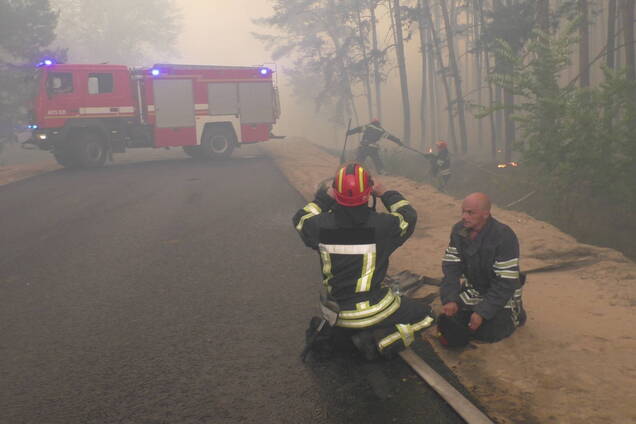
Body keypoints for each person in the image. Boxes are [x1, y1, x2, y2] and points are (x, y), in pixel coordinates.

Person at [293, 163, 434, 360]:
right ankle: (381, 342)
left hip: (337, 312)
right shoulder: (383, 226)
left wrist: (325, 198)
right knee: (427, 314)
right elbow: (408, 215)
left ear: (336, 192)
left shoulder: (319, 226)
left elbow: (300, 218)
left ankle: (349, 337)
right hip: (371, 309)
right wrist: (384, 192)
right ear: (368, 194)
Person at [437, 192, 526, 347]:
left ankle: (517, 314)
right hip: (476, 289)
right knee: (451, 319)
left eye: (470, 212)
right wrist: (450, 298)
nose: (464, 216)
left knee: (488, 332)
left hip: (502, 293)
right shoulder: (459, 231)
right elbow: (451, 267)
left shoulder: (503, 236)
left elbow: (505, 282)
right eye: (463, 211)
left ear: (486, 214)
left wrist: (482, 312)